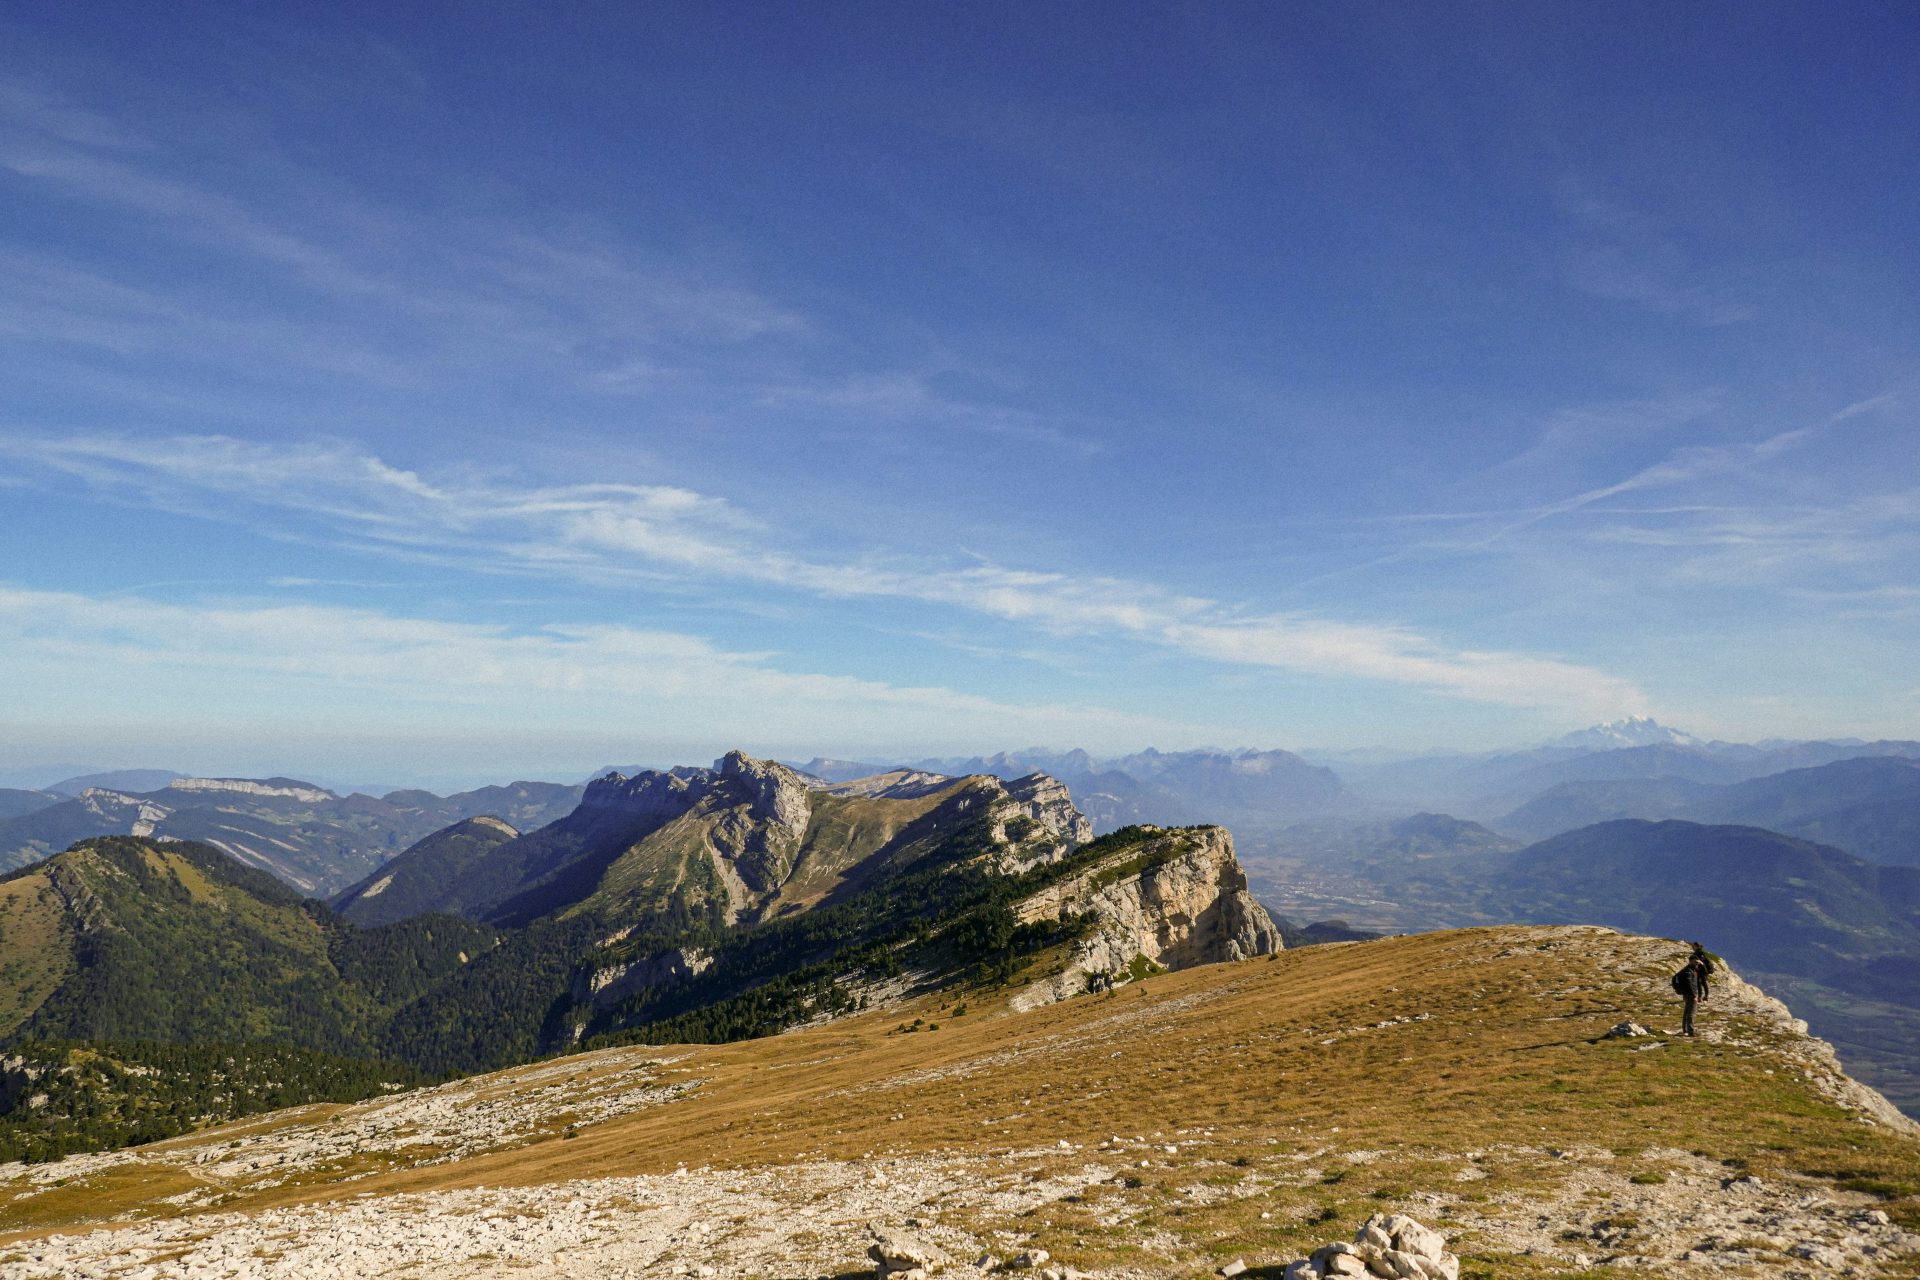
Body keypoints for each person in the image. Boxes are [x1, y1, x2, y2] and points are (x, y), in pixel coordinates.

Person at [1672, 942, 1715, 1036]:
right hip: (1691, 994)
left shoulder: (1693, 969)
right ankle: (1691, 1031)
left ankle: (1685, 1030)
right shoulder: (1688, 971)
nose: (1696, 964)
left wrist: (1702, 964)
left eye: (1697, 962)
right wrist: (1694, 995)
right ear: (1690, 961)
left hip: (1688, 994)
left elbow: (1705, 972)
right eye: (1695, 962)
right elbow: (1689, 984)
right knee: (1691, 1013)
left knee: (1687, 1012)